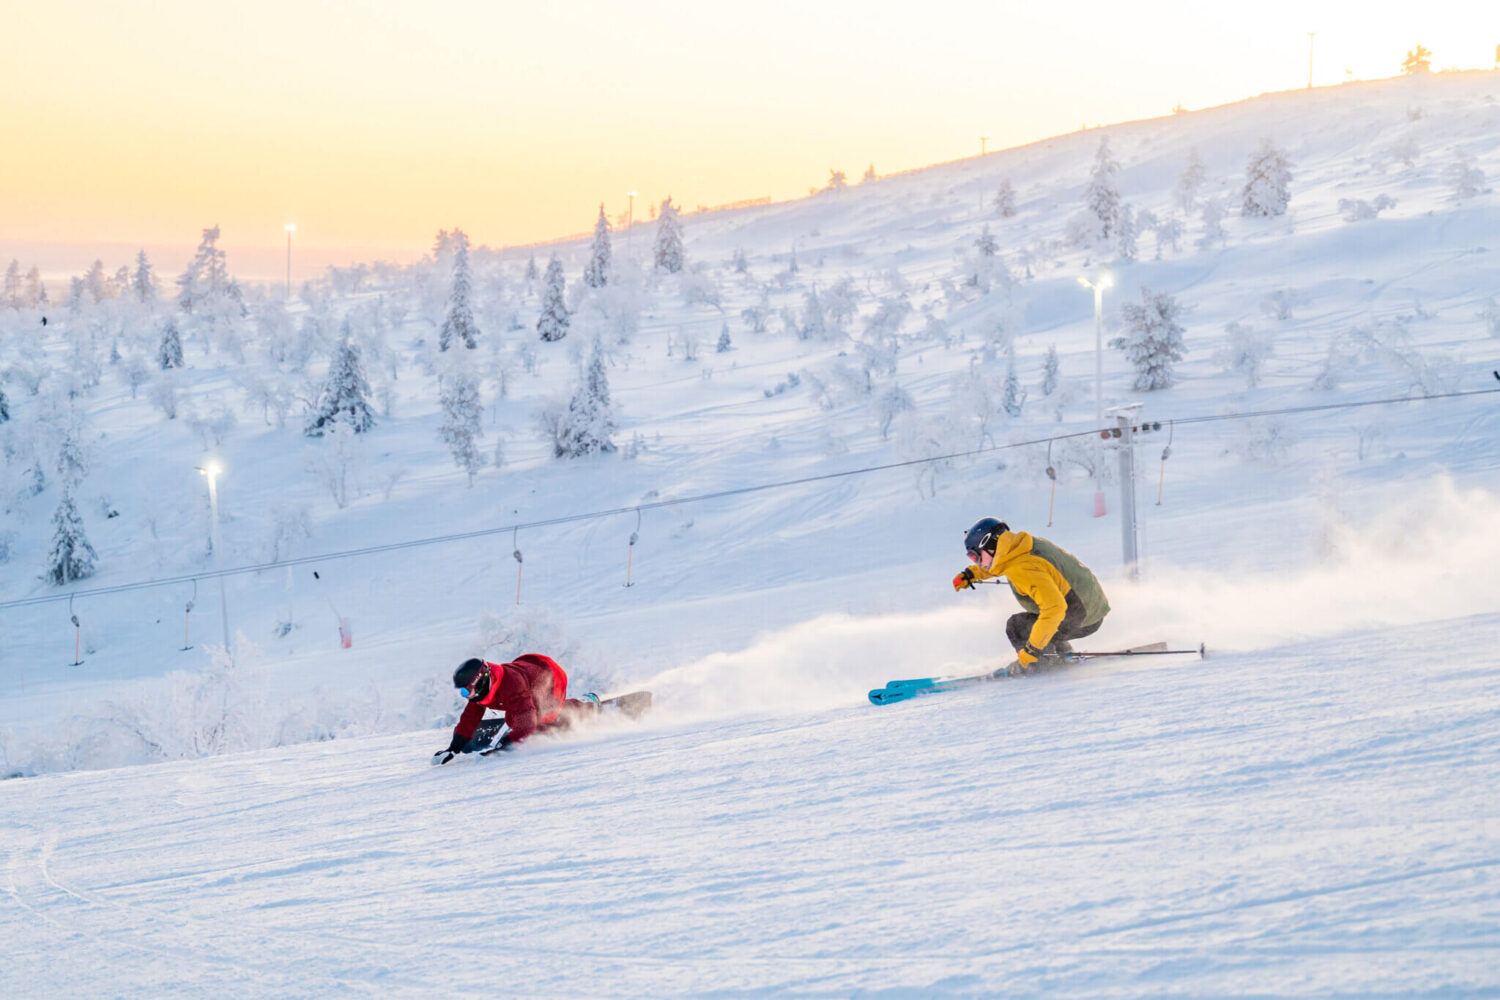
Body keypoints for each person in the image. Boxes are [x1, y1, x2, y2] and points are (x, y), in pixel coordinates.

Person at [952, 518, 1110, 672]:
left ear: (990, 544)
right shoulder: (1021, 546)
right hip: (1090, 606)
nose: (977, 562)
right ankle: (1057, 654)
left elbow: (1054, 609)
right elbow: (999, 563)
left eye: (975, 556)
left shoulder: (1022, 568)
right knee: (1037, 621)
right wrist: (970, 574)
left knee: (1017, 626)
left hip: (1083, 618)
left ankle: (1041, 663)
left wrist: (1033, 649)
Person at [432, 653, 599, 765]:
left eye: (465, 690)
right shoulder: (480, 691)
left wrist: (503, 748)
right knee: (518, 716)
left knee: (541, 720)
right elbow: (470, 718)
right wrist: (453, 749)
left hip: (550, 675)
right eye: (461, 692)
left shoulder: (510, 685)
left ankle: (587, 706)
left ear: (480, 681)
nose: (465, 695)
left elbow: (527, 723)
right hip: (530, 671)